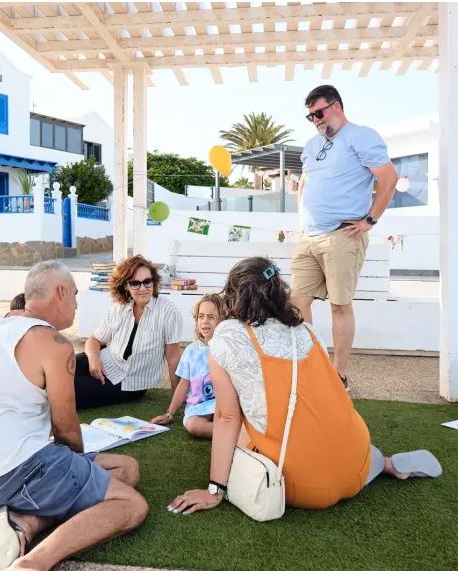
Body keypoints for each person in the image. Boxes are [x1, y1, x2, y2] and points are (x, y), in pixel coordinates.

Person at [167, 257, 441, 515]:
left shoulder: (227, 336)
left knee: (240, 428)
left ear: (234, 297)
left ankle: (369, 463)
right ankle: (382, 463)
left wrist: (215, 490)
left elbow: (227, 417)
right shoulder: (307, 331)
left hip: (303, 486)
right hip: (357, 459)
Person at [0, 260, 147, 571]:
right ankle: (33, 563)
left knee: (127, 469)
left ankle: (24, 521)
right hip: (19, 470)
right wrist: (75, 473)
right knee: (132, 505)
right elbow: (66, 428)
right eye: (74, 295)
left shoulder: (0, 327)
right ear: (59, 292)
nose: (75, 303)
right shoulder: (54, 344)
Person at [291, 84, 399, 389]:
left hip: (342, 235)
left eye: (319, 112)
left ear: (336, 106)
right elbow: (306, 184)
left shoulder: (361, 136)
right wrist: (302, 223)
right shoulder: (312, 145)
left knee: (339, 305)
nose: (316, 120)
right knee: (296, 304)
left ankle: (339, 373)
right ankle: (311, 367)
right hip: (309, 238)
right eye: (310, 116)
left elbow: (388, 177)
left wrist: (370, 219)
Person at [77, 255, 183, 409]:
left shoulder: (168, 312)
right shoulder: (120, 307)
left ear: (154, 281)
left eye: (147, 282)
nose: (142, 288)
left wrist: (176, 400)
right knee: (60, 367)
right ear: (126, 286)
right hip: (104, 360)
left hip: (129, 382)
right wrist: (93, 358)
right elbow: (94, 339)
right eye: (135, 283)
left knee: (71, 389)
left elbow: (173, 358)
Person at [150, 294, 227, 439]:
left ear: (222, 320)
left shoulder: (226, 348)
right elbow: (183, 385)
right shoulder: (191, 351)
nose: (204, 322)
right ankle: (234, 433)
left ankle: (233, 430)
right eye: (201, 316)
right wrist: (169, 413)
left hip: (224, 404)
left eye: (211, 317)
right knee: (193, 425)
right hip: (199, 406)